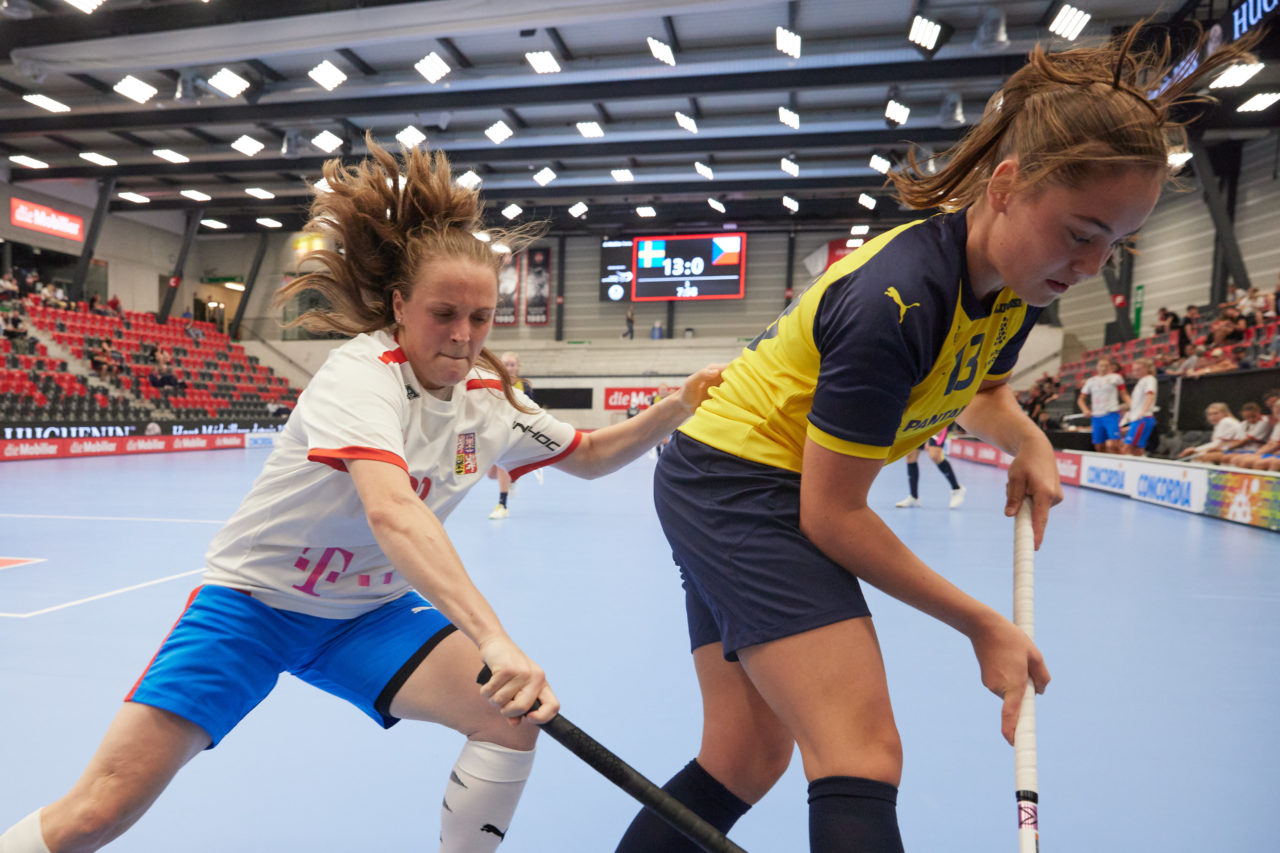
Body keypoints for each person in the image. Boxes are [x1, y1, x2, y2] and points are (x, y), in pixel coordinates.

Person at [611, 23, 1257, 853]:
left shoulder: (1016, 288)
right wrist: (983, 623)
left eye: (1116, 243)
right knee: (860, 750)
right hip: (740, 486)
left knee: (743, 754)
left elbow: (976, 387)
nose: (1094, 265)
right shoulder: (897, 301)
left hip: (731, 483)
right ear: (1007, 184)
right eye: (1080, 231)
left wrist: (1026, 439)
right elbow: (834, 517)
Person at [0, 138, 724, 853]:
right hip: (253, 606)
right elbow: (392, 510)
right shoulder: (361, 374)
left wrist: (674, 407)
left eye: (480, 317)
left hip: (363, 617)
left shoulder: (489, 399)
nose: (464, 336)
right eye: (445, 313)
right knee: (97, 812)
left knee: (508, 717)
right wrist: (492, 636)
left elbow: (592, 455)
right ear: (400, 304)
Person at [486, 351, 533, 520]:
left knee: (501, 464)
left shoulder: (524, 386)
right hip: (496, 429)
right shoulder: (495, 384)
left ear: (517, 367)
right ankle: (512, 478)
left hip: (515, 432)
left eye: (512, 364)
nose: (509, 367)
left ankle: (502, 505)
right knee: (491, 473)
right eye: (506, 364)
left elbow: (530, 409)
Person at [893, 426, 966, 508]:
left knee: (935, 455)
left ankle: (956, 489)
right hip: (922, 421)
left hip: (939, 419)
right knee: (910, 455)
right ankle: (914, 497)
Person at [1078, 357, 1130, 453]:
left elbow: (1124, 394)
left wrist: (1132, 406)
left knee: (1114, 445)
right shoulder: (1090, 381)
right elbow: (1081, 399)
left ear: (1110, 367)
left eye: (1106, 366)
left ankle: (1118, 465)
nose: (1103, 368)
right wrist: (1085, 410)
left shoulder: (1116, 378)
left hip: (1111, 415)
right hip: (1096, 417)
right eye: (1101, 366)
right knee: (1099, 446)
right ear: (1097, 367)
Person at [1199, 401, 1270, 464]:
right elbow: (1233, 441)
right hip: (1241, 449)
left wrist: (1222, 448)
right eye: (1247, 417)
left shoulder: (1264, 421)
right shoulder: (1244, 423)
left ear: (1259, 412)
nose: (1250, 419)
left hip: (1255, 450)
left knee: (1221, 458)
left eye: (1253, 416)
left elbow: (1243, 442)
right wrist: (1219, 448)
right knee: (1205, 456)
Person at [1177, 402, 1243, 462]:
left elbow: (1219, 444)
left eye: (1216, 413)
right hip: (1227, 449)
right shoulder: (1220, 424)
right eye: (1209, 414)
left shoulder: (1226, 422)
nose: (1212, 417)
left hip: (1236, 451)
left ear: (1225, 413)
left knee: (1199, 456)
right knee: (1197, 454)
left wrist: (1196, 449)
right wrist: (1197, 449)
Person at [1121, 358, 1157, 456]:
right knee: (1136, 449)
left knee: (1127, 448)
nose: (1136, 372)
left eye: (1139, 369)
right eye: (1134, 370)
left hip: (1143, 419)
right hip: (1137, 419)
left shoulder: (1149, 379)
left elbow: (1150, 396)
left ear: (1147, 369)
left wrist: (1142, 412)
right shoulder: (1141, 382)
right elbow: (1135, 403)